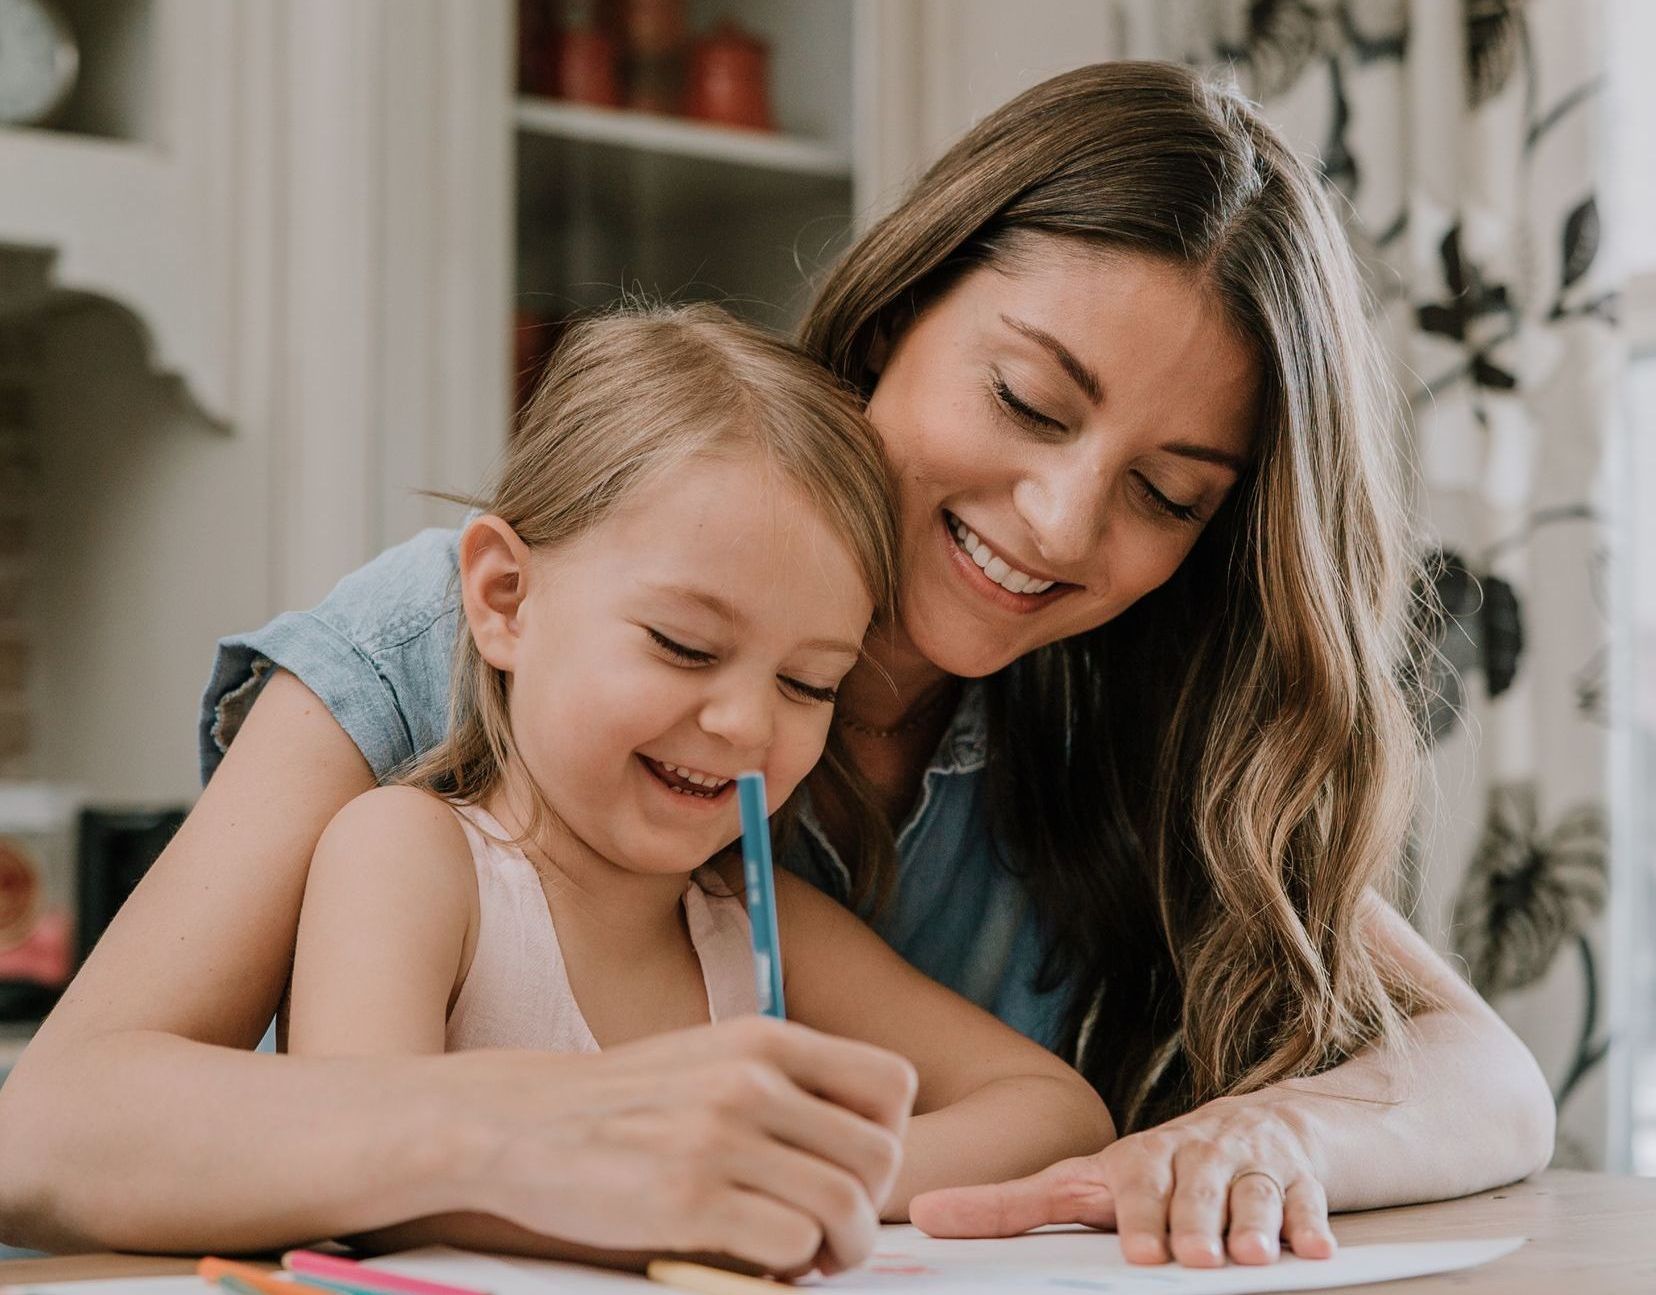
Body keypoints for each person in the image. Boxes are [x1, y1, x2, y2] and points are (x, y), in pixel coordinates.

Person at [0, 61, 1554, 1274]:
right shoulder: (466, 631)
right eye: (1024, 397)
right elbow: (52, 1127)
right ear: (895, 310)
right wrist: (572, 1139)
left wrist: (1261, 1136)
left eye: (1169, 494)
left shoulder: (1129, 704)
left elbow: (1483, 1073)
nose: (1064, 521)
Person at [282, 304, 1113, 1267]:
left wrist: (807, 1179)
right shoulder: (408, 857)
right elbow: (355, 1165)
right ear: (506, 596)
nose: (750, 725)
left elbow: (1055, 1108)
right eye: (685, 645)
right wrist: (657, 1198)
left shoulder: (758, 917)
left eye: (809, 683)